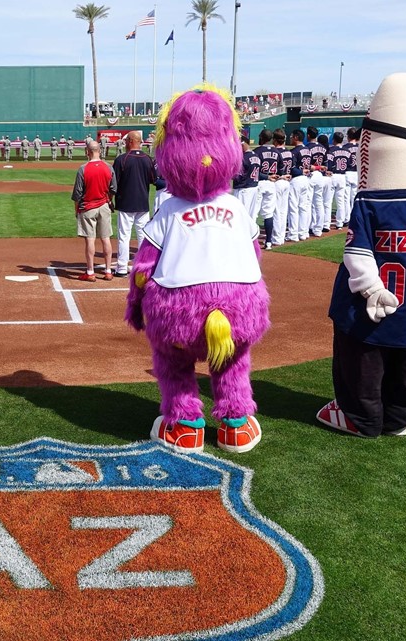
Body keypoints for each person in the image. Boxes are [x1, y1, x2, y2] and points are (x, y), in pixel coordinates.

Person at [125, 85, 268, 454]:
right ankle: (236, 424)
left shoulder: (168, 210)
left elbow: (143, 268)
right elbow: (255, 253)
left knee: (173, 362)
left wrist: (136, 306)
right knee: (233, 360)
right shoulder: (236, 208)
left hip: (178, 312)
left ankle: (185, 426)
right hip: (239, 309)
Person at [318, 73, 406, 440]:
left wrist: (371, 288)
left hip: (372, 305)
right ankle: (399, 418)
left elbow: (357, 251)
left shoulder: (371, 202)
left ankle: (361, 417)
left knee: (361, 361)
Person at [111, 131, 156, 277]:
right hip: (142, 203)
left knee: (124, 236)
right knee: (143, 235)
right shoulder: (147, 159)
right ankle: (143, 267)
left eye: (126, 141)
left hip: (125, 203)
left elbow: (114, 183)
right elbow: (152, 179)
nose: (124, 143)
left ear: (131, 141)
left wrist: (110, 199)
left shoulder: (121, 159)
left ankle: (122, 267)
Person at [71, 140, 116, 281]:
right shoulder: (108, 167)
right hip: (104, 205)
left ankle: (90, 272)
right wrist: (109, 200)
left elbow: (77, 194)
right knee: (106, 238)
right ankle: (108, 271)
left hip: (88, 207)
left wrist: (76, 209)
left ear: (87, 152)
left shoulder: (83, 169)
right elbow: (113, 189)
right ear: (100, 151)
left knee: (90, 240)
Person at [253, 129, 281, 248]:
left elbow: (253, 171)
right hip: (272, 184)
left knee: (253, 213)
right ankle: (268, 242)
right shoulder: (277, 151)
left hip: (260, 183)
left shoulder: (256, 152)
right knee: (268, 213)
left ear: (261, 138)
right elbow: (281, 170)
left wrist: (266, 176)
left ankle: (252, 242)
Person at [287, 129, 312, 242]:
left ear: (296, 137)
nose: (291, 138)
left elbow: (292, 169)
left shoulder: (294, 151)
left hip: (297, 180)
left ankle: (293, 234)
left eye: (292, 136)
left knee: (293, 208)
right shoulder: (308, 150)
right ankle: (303, 233)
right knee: (303, 207)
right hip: (306, 180)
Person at [327, 131, 353, 229]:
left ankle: (326, 224)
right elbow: (350, 164)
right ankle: (340, 223)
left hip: (333, 176)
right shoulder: (347, 151)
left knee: (329, 201)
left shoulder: (331, 150)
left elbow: (329, 165)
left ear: (334, 139)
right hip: (343, 176)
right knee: (341, 201)